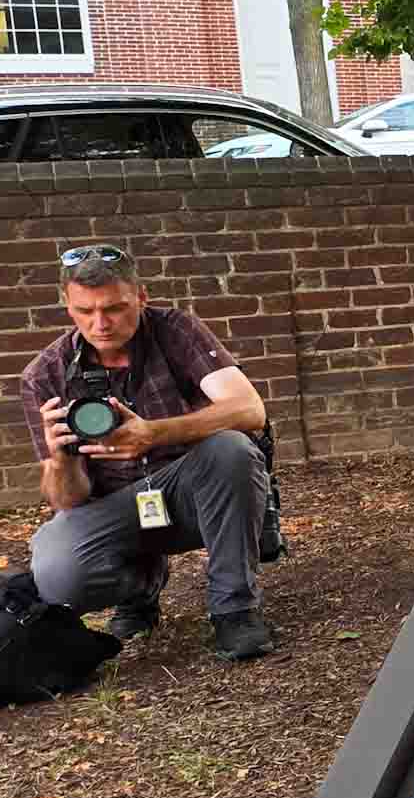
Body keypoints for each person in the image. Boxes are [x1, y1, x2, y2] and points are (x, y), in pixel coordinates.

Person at [16, 244, 279, 661]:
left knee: (232, 450)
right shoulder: (45, 375)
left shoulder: (175, 331)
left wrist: (153, 434)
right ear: (67, 306)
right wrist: (61, 458)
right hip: (116, 507)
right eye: (85, 311)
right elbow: (67, 500)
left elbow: (250, 410)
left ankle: (235, 610)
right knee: (56, 574)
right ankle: (139, 589)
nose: (100, 323)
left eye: (115, 308)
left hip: (193, 491)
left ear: (141, 296)